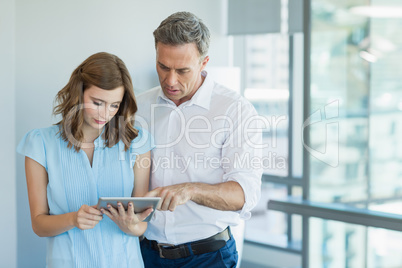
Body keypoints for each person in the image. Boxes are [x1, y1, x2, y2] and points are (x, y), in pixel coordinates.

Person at [136, 11, 263, 267]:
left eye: (182, 70)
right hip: (145, 254)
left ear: (204, 62)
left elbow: (244, 194)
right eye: (163, 67)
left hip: (208, 257)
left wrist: (191, 190)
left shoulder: (235, 110)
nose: (170, 80)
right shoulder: (139, 107)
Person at [17, 52, 154, 268]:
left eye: (114, 105)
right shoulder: (40, 143)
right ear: (78, 93)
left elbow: (141, 224)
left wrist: (131, 226)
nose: (105, 113)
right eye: (97, 102)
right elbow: (38, 224)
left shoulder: (137, 141)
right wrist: (72, 219)